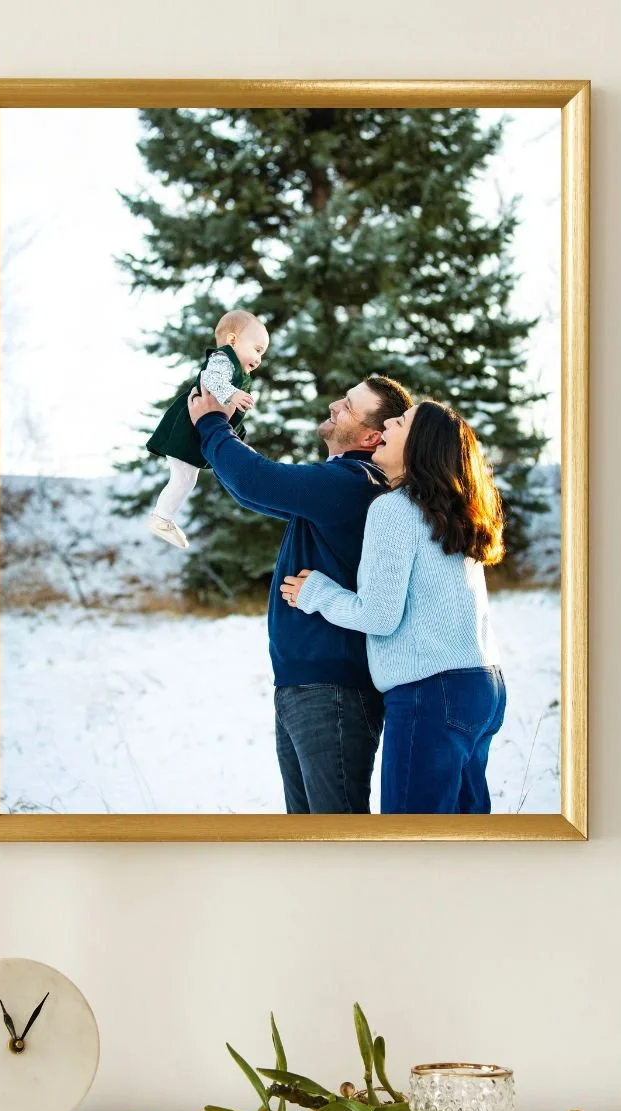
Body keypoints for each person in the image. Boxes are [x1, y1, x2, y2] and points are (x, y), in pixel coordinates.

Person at [187, 374, 413, 814]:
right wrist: (220, 431)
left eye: (348, 405)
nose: (334, 406)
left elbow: (259, 481)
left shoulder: (355, 481)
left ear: (371, 436)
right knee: (308, 834)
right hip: (306, 685)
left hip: (334, 690)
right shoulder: (341, 482)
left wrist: (213, 425)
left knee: (336, 833)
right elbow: (250, 490)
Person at [280, 401, 506, 814]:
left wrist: (318, 593)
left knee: (409, 840)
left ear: (417, 444)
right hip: (483, 687)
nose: (387, 423)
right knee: (467, 839)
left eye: (399, 422)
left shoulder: (394, 508)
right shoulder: (453, 510)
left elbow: (378, 617)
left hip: (429, 694)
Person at [145, 310, 269, 548]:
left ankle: (163, 518)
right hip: (187, 431)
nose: (259, 359)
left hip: (200, 430)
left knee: (187, 478)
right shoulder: (223, 359)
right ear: (233, 340)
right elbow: (212, 379)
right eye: (257, 349)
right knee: (184, 479)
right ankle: (161, 518)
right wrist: (232, 393)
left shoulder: (239, 371)